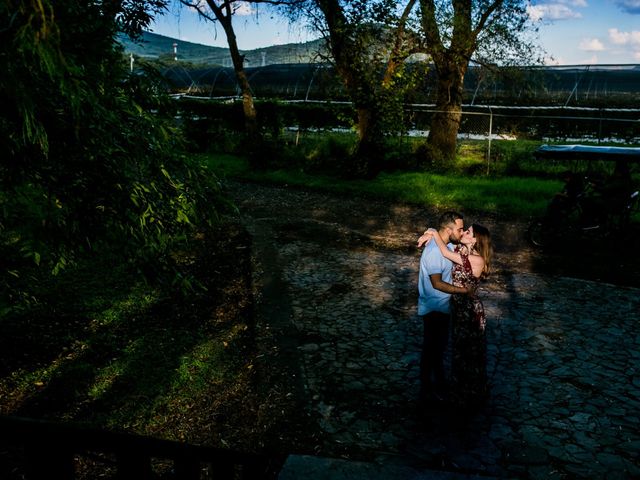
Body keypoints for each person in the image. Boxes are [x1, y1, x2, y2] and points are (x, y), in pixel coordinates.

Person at [421, 223, 493, 408]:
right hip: (458, 308)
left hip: (470, 310)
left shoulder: (477, 260)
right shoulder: (462, 249)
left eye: (468, 232)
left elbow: (445, 252)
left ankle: (471, 394)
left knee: (470, 352)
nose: (464, 233)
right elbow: (446, 243)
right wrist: (429, 235)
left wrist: (434, 233)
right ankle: (461, 390)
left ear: (475, 240)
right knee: (459, 351)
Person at [416, 211, 470, 403]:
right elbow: (437, 283)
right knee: (431, 349)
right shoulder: (434, 252)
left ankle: (438, 384)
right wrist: (463, 291)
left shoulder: (446, 244)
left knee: (437, 349)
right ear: (448, 229)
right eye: (460, 229)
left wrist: (430, 231)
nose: (462, 232)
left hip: (443, 306)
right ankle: (427, 388)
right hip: (434, 308)